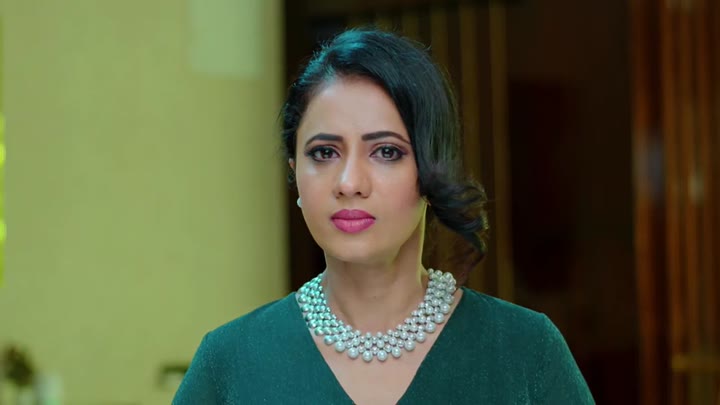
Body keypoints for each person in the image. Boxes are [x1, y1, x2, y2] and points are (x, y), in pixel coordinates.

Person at [173, 28, 594, 404]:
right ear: (294, 172)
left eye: (386, 151)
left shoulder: (525, 351)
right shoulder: (230, 362)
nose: (349, 182)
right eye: (324, 152)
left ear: (432, 170)